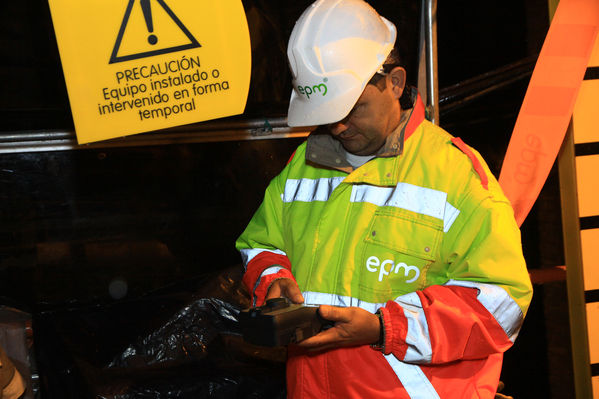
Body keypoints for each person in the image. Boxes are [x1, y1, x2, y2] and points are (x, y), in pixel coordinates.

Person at [236, 0, 533, 397]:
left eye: (352, 107)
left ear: (394, 82)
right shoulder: (304, 165)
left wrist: (384, 328)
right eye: (328, 112)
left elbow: (503, 302)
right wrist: (274, 280)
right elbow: (260, 244)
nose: (338, 126)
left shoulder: (456, 177)